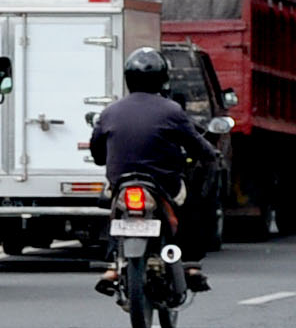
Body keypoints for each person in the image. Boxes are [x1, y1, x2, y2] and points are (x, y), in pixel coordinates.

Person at [90, 47, 217, 295]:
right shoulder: (172, 111)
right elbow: (199, 147)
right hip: (163, 183)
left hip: (121, 182)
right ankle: (190, 265)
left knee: (113, 209)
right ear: (162, 77)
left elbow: (97, 153)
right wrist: (208, 155)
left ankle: (112, 266)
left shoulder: (109, 112)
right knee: (192, 204)